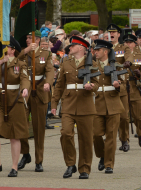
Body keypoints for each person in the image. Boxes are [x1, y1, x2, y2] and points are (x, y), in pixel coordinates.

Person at [51, 36, 99, 180]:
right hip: (69, 104)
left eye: (72, 46)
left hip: (85, 105)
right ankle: (70, 164)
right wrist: (54, 104)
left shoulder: (92, 63)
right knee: (66, 133)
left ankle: (84, 169)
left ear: (81, 48)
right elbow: (59, 85)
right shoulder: (66, 63)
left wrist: (92, 87)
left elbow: (98, 83)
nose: (69, 48)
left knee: (85, 139)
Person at [0, 36, 30, 177]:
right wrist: (0, 62)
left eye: (7, 47)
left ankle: (14, 166)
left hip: (14, 100)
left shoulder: (20, 63)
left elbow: (25, 79)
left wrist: (25, 89)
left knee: (15, 135)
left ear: (12, 50)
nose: (4, 49)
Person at [17, 30, 54, 173]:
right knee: (21, 125)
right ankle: (25, 154)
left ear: (37, 40)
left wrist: (48, 83)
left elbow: (50, 70)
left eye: (29, 38)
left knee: (39, 129)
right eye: (26, 37)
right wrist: (26, 50)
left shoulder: (45, 54)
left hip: (39, 92)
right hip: (25, 92)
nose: (27, 39)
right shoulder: (22, 52)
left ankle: (39, 160)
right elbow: (15, 60)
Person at [93, 39, 124, 174]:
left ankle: (109, 164)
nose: (95, 52)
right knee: (96, 135)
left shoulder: (116, 65)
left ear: (105, 51)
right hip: (97, 104)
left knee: (111, 136)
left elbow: (124, 85)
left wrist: (118, 86)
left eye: (98, 50)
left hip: (113, 103)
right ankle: (102, 155)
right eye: (95, 50)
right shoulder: (91, 65)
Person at [106, 24, 131, 152]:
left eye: (114, 32)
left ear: (118, 34)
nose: (112, 34)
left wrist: (128, 62)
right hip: (106, 85)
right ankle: (108, 140)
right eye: (110, 32)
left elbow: (129, 57)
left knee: (123, 116)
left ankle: (124, 139)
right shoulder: (103, 47)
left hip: (120, 84)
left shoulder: (124, 47)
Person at [123, 34, 141, 147]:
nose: (128, 44)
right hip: (123, 87)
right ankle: (125, 140)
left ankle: (140, 133)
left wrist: (140, 74)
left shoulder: (140, 56)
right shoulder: (119, 55)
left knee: (138, 115)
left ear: (134, 44)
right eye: (126, 42)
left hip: (135, 87)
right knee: (124, 116)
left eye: (130, 42)